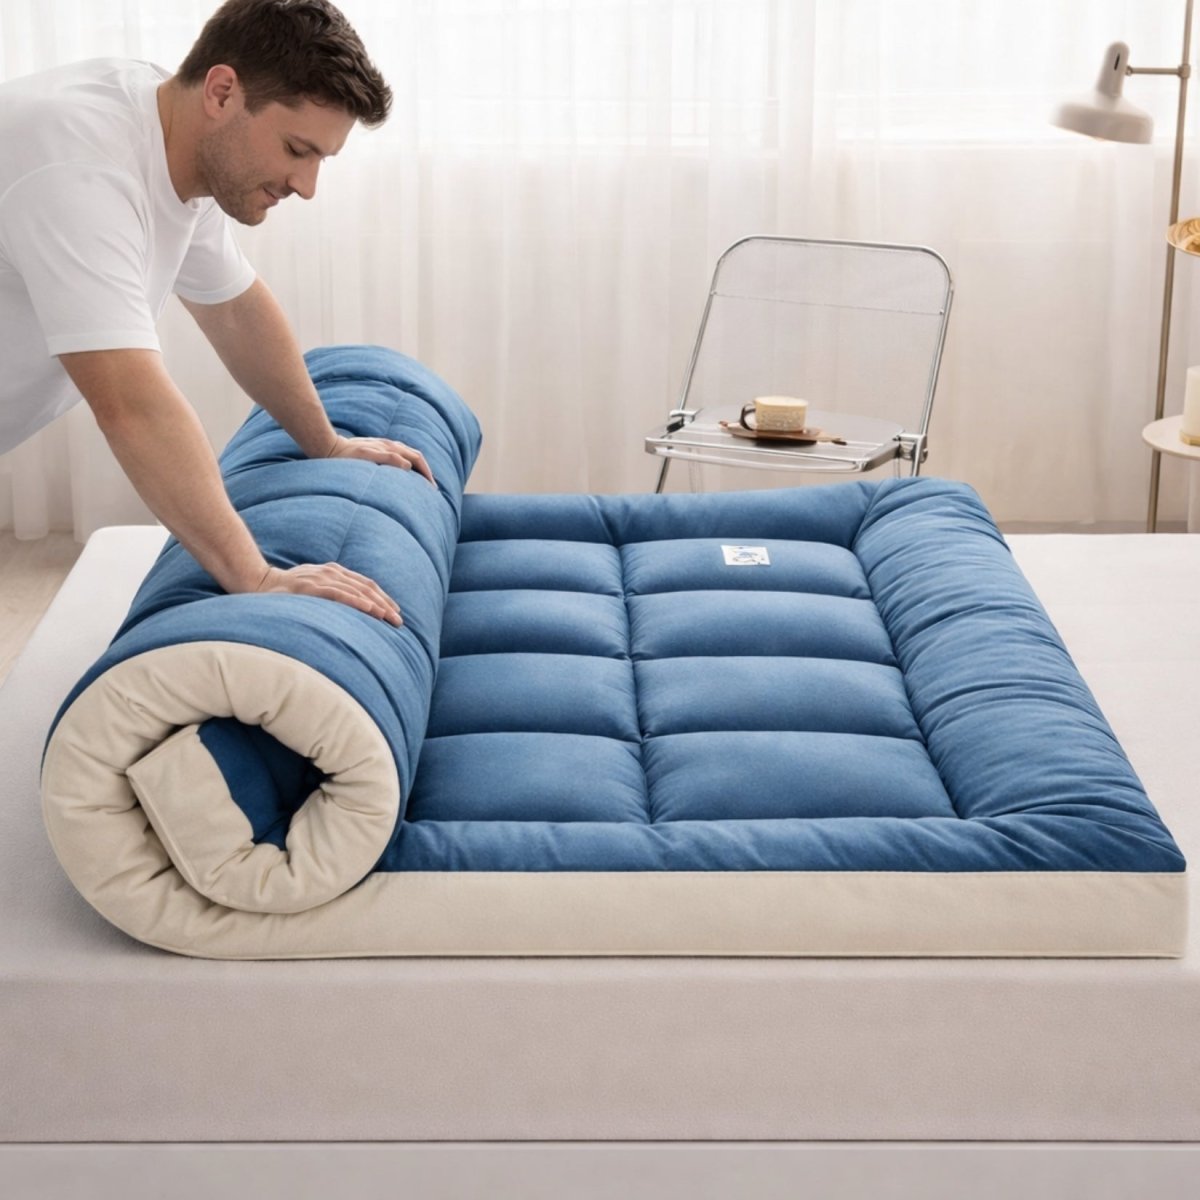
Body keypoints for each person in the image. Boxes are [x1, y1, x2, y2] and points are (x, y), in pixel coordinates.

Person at [0, 0, 429, 627]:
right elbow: (131, 404)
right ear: (223, 91)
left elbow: (234, 309)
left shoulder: (176, 133)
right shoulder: (82, 167)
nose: (306, 186)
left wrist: (328, 444)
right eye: (295, 149)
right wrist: (256, 577)